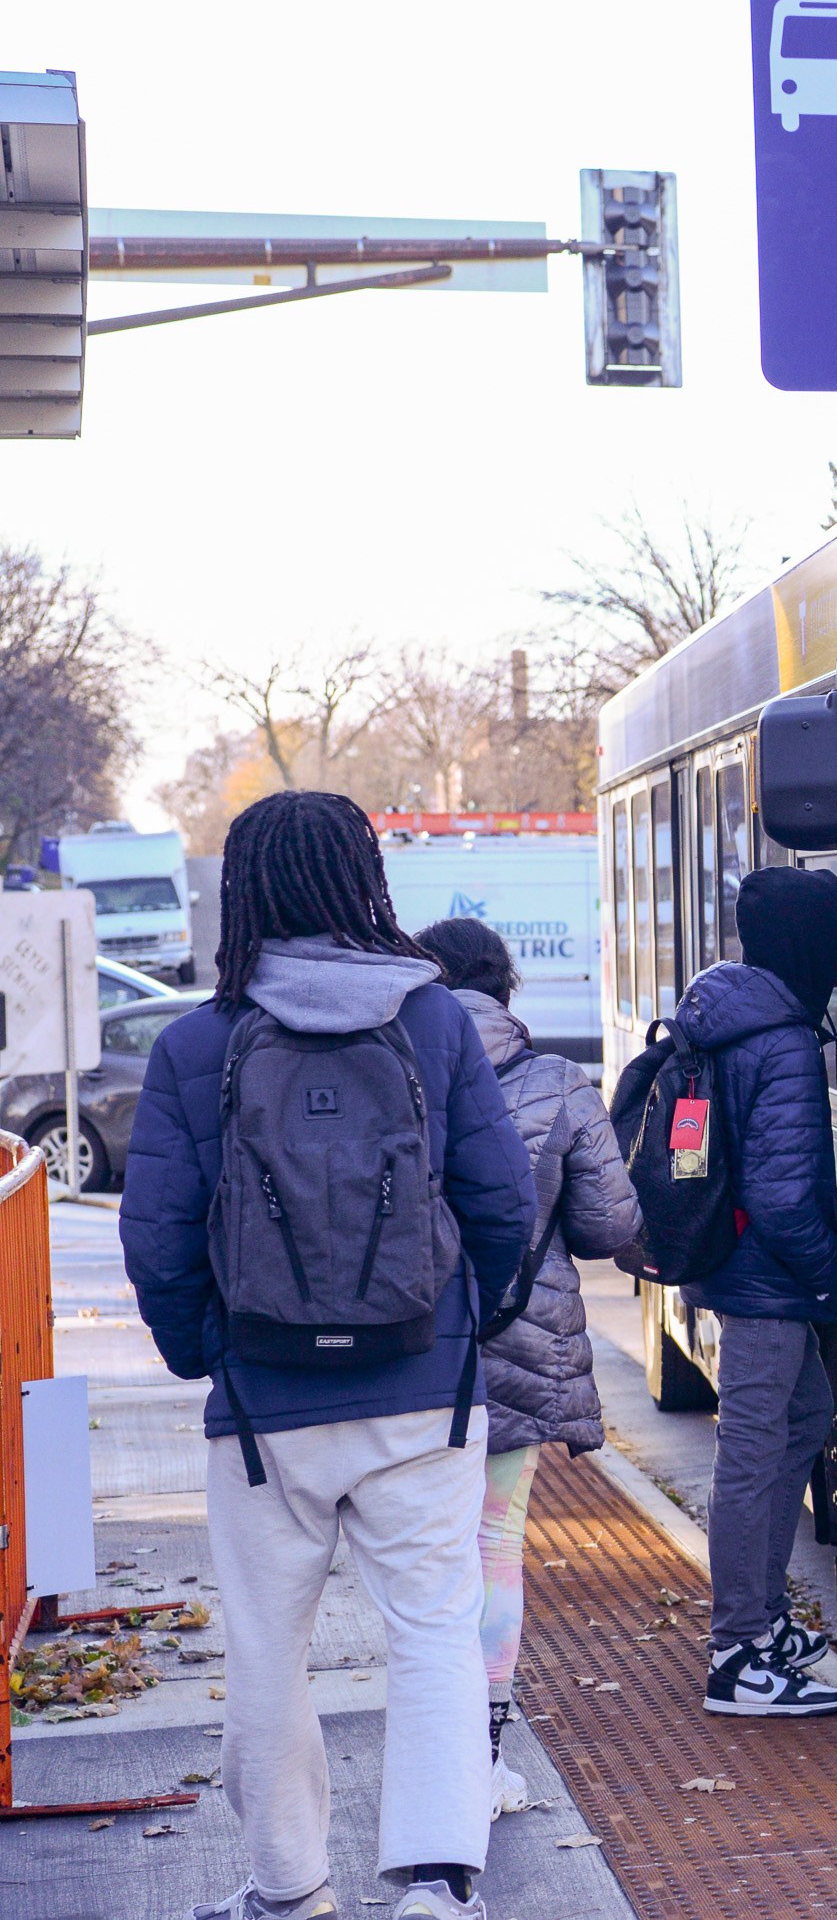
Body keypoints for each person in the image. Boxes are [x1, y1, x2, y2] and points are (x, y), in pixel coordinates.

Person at [121, 793, 535, 1920]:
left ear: (241, 889)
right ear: (365, 880)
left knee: (267, 1649)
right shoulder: (438, 1022)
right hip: (422, 1394)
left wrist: (206, 1352)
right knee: (437, 1631)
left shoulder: (197, 1040)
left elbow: (157, 1234)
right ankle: (439, 1883)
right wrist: (468, 1326)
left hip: (263, 1405)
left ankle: (291, 1886)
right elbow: (505, 1202)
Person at [413, 917, 642, 1816]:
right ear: (506, 985)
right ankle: (486, 1757)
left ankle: (429, 1754)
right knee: (495, 1546)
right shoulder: (557, 1081)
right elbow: (611, 1226)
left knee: (426, 1560)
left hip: (414, 1350)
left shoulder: (400, 1068)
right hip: (521, 1339)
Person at [676, 866, 837, 1717]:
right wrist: (831, 1281)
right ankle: (738, 1650)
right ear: (807, 942)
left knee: (802, 1418)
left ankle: (763, 1616)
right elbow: (785, 1197)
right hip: (771, 1285)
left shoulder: (724, 1018)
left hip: (741, 1269)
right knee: (752, 1452)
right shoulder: (781, 1039)